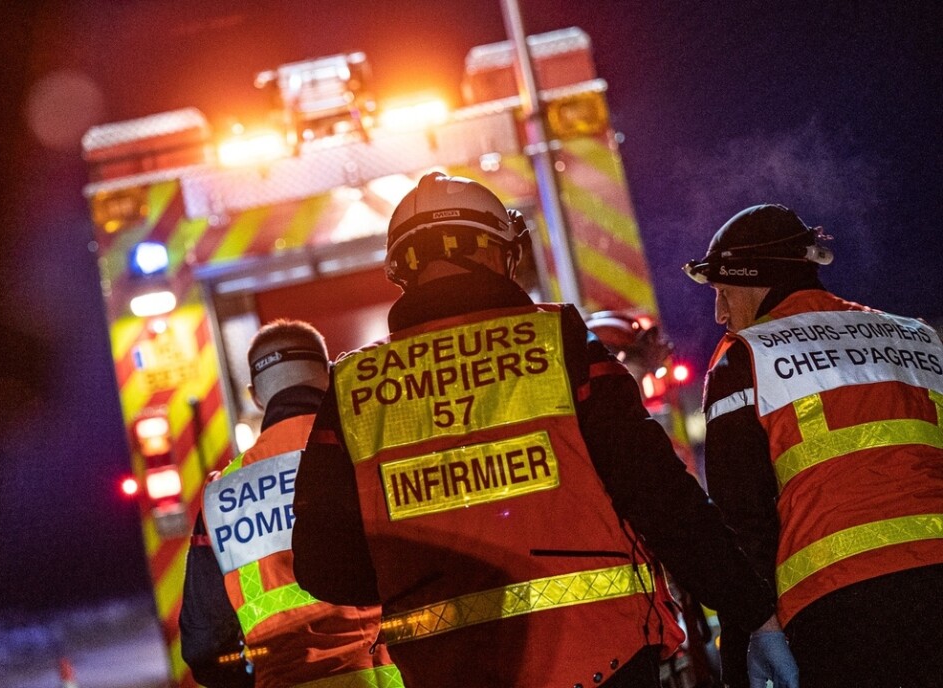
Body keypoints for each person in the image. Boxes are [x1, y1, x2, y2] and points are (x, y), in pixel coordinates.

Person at [291, 172, 795, 688]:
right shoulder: (559, 340)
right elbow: (660, 495)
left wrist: (422, 581)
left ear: (404, 269)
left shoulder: (354, 385)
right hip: (603, 661)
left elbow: (322, 566)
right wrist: (753, 613)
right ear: (495, 253)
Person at [685, 204, 943, 688]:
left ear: (754, 280)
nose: (720, 314)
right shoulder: (919, 338)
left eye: (723, 292)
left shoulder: (746, 356)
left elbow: (743, 521)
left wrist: (747, 641)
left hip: (841, 606)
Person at [179, 319, 402, 688]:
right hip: (400, 674)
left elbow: (205, 647)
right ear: (329, 373)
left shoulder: (221, 496)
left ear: (255, 395)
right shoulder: (377, 451)